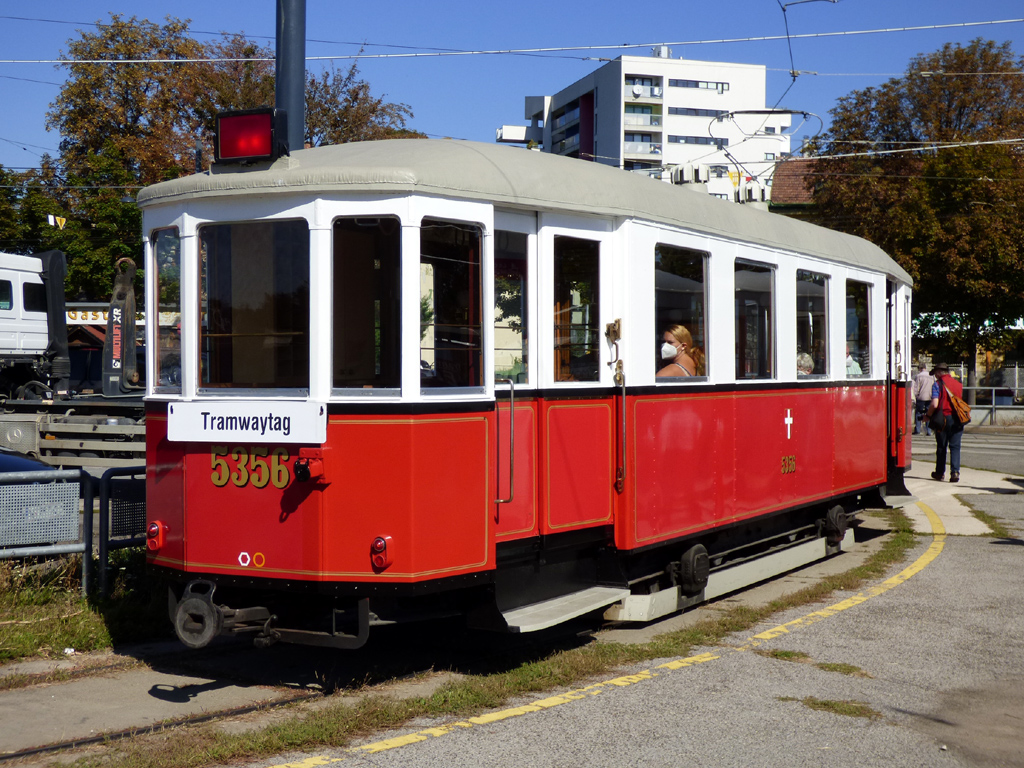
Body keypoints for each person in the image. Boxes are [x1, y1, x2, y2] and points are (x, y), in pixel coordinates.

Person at [925, 362, 964, 483]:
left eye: (935, 374)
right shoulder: (958, 384)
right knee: (955, 446)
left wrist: (928, 415)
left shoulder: (937, 384)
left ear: (938, 373)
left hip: (943, 418)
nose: (935, 376)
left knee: (942, 446)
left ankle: (940, 473)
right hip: (957, 419)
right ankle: (955, 472)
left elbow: (935, 404)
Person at [911, 361, 936, 435]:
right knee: (929, 413)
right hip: (930, 396)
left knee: (918, 413)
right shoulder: (932, 376)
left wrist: (915, 396)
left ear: (920, 368)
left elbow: (916, 388)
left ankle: (918, 430)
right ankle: (928, 430)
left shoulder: (918, 376)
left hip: (921, 397)